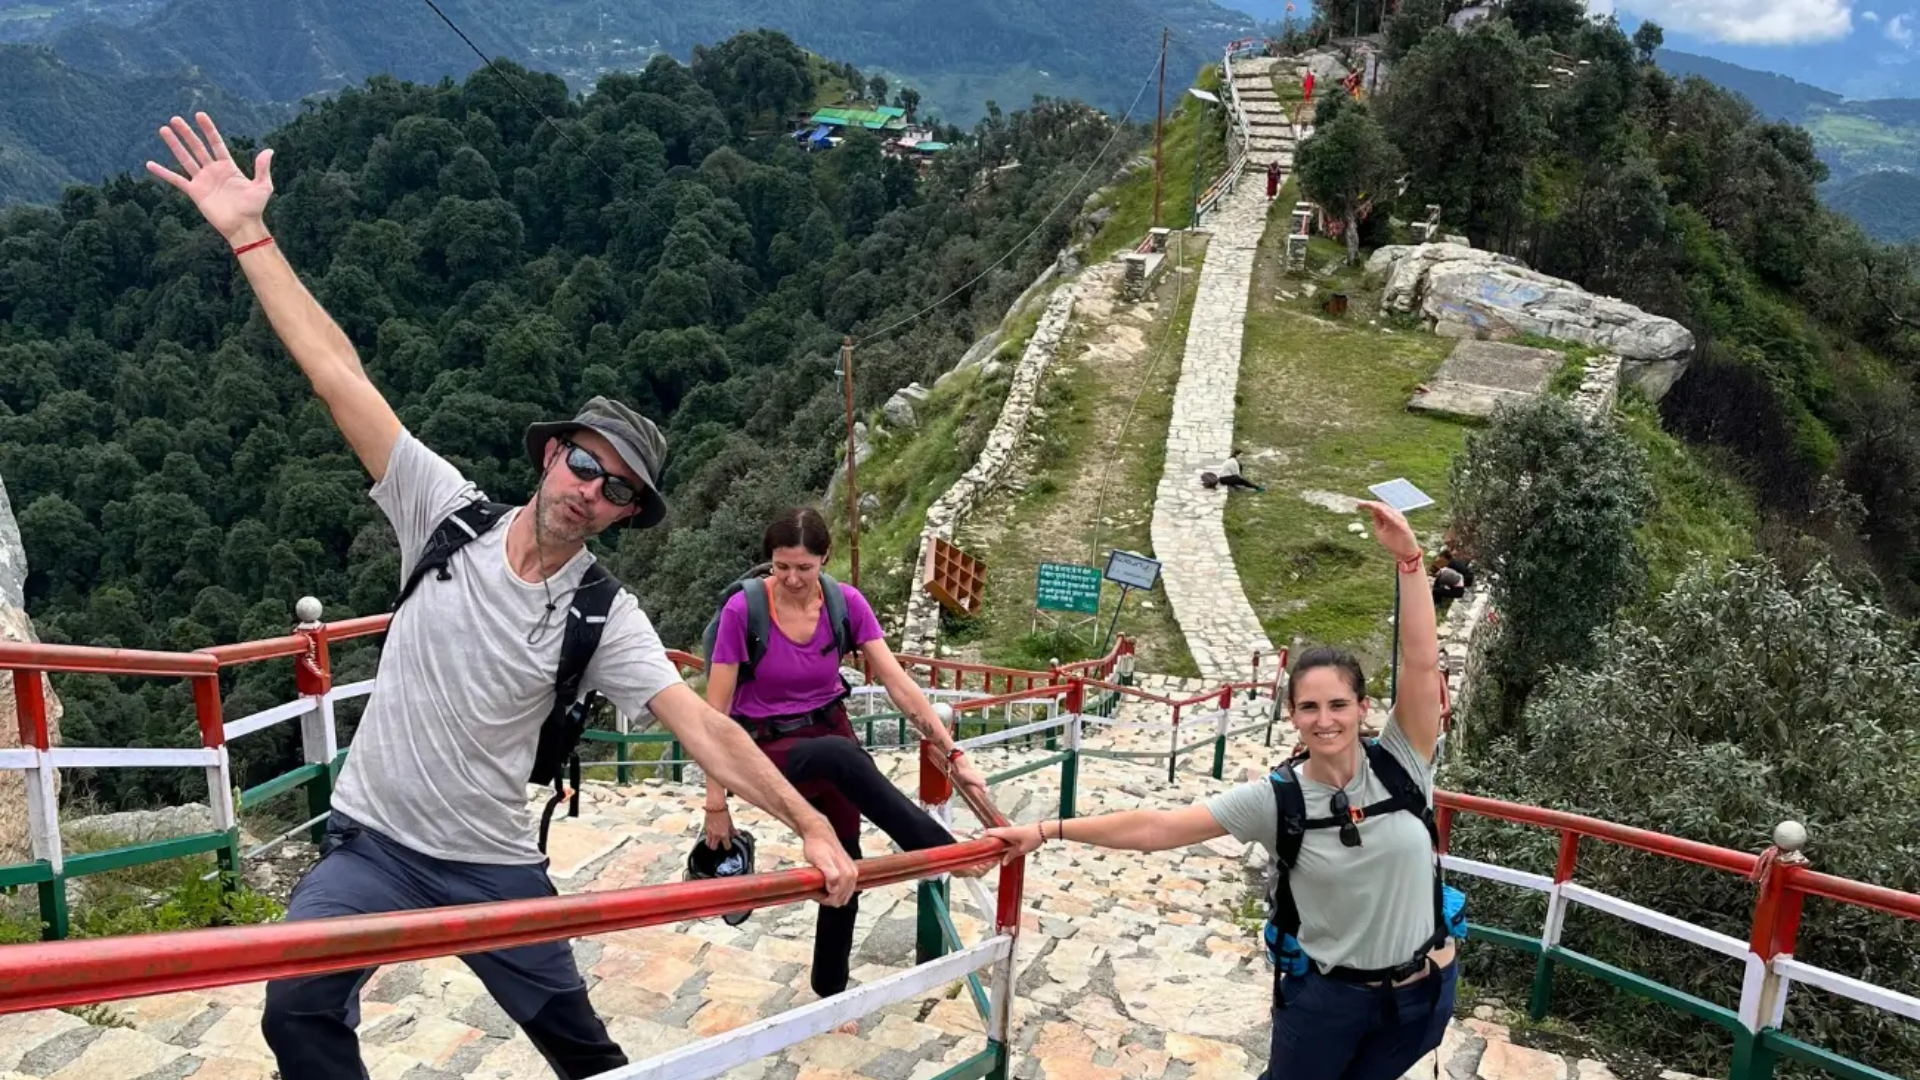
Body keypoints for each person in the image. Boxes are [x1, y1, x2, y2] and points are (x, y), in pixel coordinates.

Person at [146, 112, 858, 1080]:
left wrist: (807, 823)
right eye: (582, 462)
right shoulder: (444, 512)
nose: (589, 489)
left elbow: (704, 726)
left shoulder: (604, 613)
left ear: (625, 514)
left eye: (617, 489)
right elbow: (336, 373)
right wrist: (247, 234)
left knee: (585, 1053)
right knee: (296, 1009)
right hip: (372, 845)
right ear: (548, 453)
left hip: (490, 863)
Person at [986, 500, 1453, 1080]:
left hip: (1423, 992)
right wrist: (1045, 829)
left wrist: (1410, 562)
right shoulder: (1274, 798)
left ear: (1364, 708)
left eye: (1339, 704)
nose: (1325, 719)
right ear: (1292, 716)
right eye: (1310, 706)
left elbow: (1420, 660)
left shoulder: (1404, 759)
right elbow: (1159, 828)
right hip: (1330, 1002)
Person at [702, 507, 991, 1027]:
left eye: (804, 568)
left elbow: (899, 684)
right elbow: (714, 714)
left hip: (831, 735)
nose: (790, 579)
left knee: (846, 862)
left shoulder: (845, 604)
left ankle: (829, 988)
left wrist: (954, 754)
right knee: (841, 755)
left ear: (825, 561)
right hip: (767, 749)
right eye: (780, 566)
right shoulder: (744, 612)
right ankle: (941, 851)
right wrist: (716, 802)